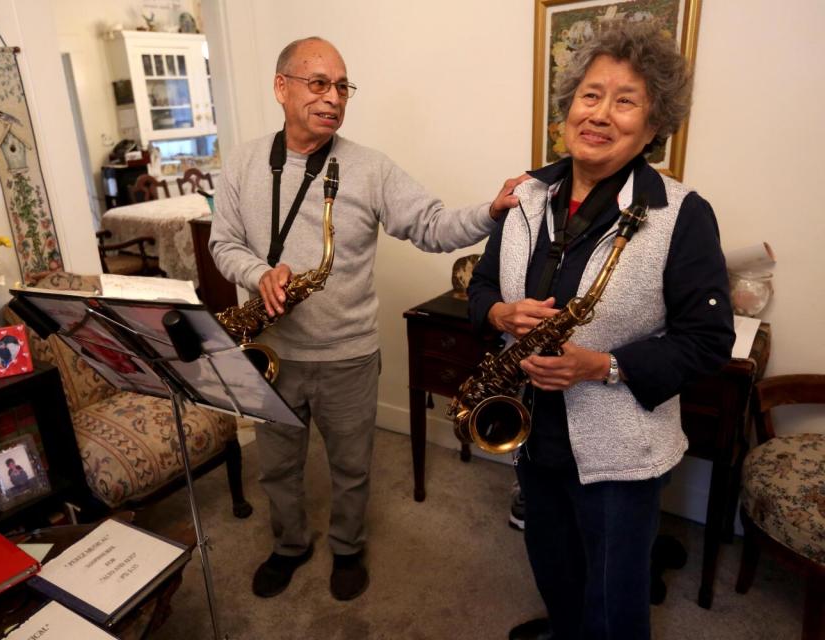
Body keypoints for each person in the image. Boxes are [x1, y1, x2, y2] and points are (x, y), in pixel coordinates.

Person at [209, 36, 524, 601]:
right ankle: (289, 546)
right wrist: (260, 274)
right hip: (270, 351)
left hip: (347, 354)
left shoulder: (370, 168)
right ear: (281, 87)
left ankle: (348, 548)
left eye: (342, 86)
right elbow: (224, 243)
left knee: (351, 467)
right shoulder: (244, 162)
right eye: (318, 83)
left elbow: (432, 226)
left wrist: (490, 211)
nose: (333, 97)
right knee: (277, 466)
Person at [467, 22, 735, 640]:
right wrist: (498, 314)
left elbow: (708, 340)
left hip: (621, 450)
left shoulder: (683, 214)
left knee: (616, 598)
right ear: (566, 109)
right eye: (590, 95)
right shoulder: (527, 195)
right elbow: (481, 284)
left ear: (653, 124)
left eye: (626, 100)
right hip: (533, 430)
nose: (601, 114)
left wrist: (602, 366)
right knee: (553, 564)